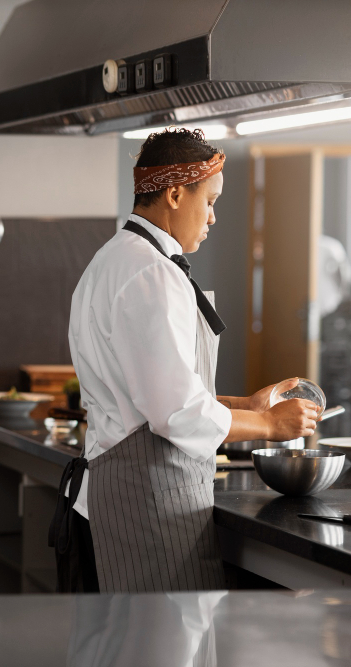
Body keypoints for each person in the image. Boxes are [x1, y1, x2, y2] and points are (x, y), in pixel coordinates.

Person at [59, 128, 320, 593]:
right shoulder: (152, 274)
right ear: (176, 194)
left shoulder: (112, 259)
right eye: (211, 200)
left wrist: (248, 406)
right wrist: (272, 427)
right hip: (149, 500)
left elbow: (150, 392)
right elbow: (175, 413)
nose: (214, 217)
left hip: (116, 488)